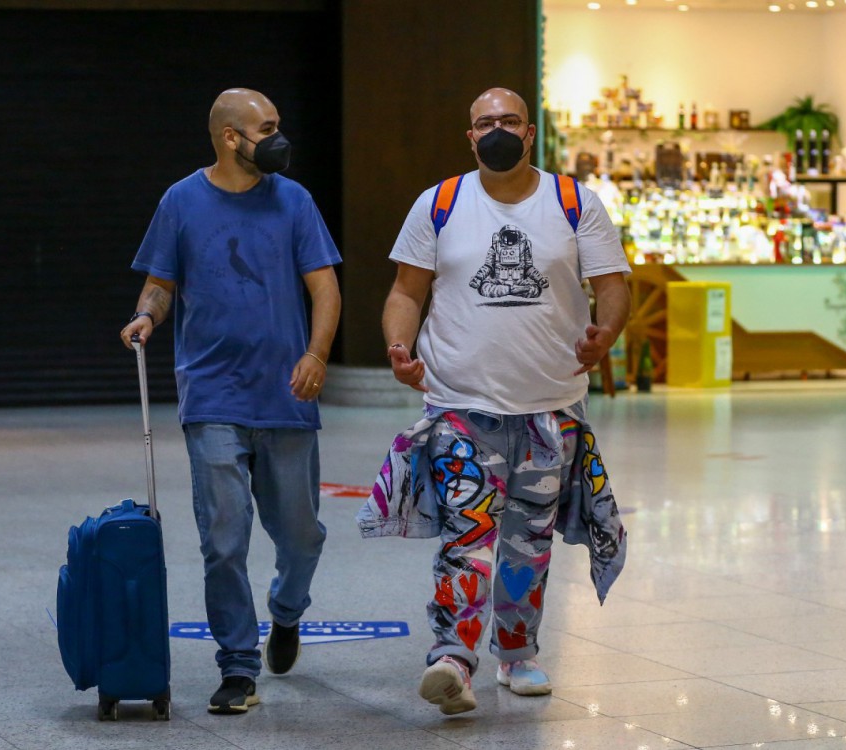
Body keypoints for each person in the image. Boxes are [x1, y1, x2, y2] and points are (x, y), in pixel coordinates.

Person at [356, 87, 630, 715]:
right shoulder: (440, 204)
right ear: (470, 137)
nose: (498, 130)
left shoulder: (573, 201)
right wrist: (400, 346)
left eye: (510, 120)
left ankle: (518, 653)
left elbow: (612, 285)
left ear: (530, 133)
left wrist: (605, 335)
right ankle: (453, 656)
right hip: (460, 404)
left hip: (549, 407)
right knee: (467, 532)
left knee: (529, 542)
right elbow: (405, 291)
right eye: (486, 123)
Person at [120, 88, 341, 715]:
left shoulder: (294, 202)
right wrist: (146, 316)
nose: (278, 138)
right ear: (229, 137)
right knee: (222, 539)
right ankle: (239, 665)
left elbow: (325, 289)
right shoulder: (181, 201)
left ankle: (288, 610)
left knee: (299, 535)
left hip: (287, 395)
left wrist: (317, 354)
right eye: (265, 128)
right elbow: (161, 282)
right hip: (212, 393)